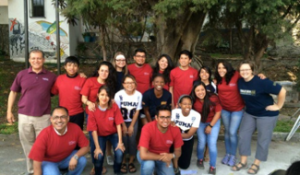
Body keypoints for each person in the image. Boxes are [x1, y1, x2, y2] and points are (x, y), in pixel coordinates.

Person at [6, 49, 56, 174]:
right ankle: (32, 171)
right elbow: (13, 92)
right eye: (33, 58)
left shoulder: (51, 76)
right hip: (24, 116)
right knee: (28, 146)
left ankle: (43, 169)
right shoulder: (21, 74)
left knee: (43, 146)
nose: (36, 61)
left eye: (39, 58)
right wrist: (9, 111)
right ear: (29, 60)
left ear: (43, 60)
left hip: (43, 116)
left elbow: (64, 85)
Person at [232, 61, 286, 174]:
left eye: (247, 69)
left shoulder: (262, 82)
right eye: (242, 70)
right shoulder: (240, 82)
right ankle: (243, 161)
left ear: (252, 70)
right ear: (239, 72)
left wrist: (278, 106)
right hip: (250, 113)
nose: (245, 72)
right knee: (243, 136)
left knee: (263, 139)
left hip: (266, 115)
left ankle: (256, 163)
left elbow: (282, 91)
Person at [28, 106, 89, 175]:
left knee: (82, 160)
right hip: (48, 162)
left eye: (63, 117)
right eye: (56, 117)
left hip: (65, 158)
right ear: (51, 119)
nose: (59, 120)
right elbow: (36, 160)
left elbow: (86, 146)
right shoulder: (44, 134)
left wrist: (75, 156)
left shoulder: (75, 128)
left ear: (68, 118)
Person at [80, 61, 117, 175]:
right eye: (102, 70)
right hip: (92, 114)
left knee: (103, 140)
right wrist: (88, 103)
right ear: (98, 71)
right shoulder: (90, 81)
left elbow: (111, 100)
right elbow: (83, 98)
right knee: (94, 141)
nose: (104, 73)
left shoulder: (110, 84)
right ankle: (95, 166)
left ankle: (103, 160)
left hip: (106, 116)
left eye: (106, 71)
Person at [87, 85, 125, 175]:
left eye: (107, 95)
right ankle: (98, 172)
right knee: (99, 155)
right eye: (102, 94)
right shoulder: (93, 109)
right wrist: (97, 147)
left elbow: (118, 124)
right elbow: (93, 130)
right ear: (98, 95)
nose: (104, 97)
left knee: (119, 152)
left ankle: (117, 171)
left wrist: (120, 142)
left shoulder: (114, 106)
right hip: (100, 135)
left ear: (110, 97)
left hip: (113, 133)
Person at [137, 105, 184, 175]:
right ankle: (153, 168)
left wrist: (172, 155)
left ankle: (157, 169)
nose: (165, 120)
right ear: (156, 118)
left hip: (164, 155)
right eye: (162, 117)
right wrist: (162, 157)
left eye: (168, 117)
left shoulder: (175, 129)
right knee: (149, 165)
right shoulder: (147, 128)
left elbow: (178, 151)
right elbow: (143, 155)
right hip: (148, 154)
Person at [214, 61, 244, 166]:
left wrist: (260, 76)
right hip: (225, 109)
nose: (221, 70)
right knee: (227, 132)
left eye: (223, 68)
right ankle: (228, 153)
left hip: (237, 109)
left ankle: (233, 155)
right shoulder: (217, 78)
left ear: (228, 68)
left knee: (232, 132)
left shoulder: (237, 75)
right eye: (219, 68)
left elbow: (249, 77)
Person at [191, 82, 222, 175]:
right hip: (200, 122)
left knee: (212, 144)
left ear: (205, 90)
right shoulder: (193, 100)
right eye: (197, 90)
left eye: (202, 90)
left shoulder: (213, 97)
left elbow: (218, 113)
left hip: (213, 122)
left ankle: (212, 166)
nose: (200, 92)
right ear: (194, 92)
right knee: (201, 142)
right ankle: (200, 159)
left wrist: (210, 126)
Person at [114, 75, 142, 173]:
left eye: (132, 82)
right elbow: (117, 111)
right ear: (123, 84)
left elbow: (137, 111)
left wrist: (131, 126)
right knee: (122, 139)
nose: (130, 85)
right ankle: (122, 160)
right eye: (127, 83)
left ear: (135, 84)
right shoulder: (119, 94)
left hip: (132, 120)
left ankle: (130, 161)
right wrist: (123, 126)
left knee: (132, 139)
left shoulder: (138, 95)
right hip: (121, 120)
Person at [51, 56, 86, 130]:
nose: (72, 68)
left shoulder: (83, 79)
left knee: (76, 136)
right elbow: (53, 92)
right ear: (65, 67)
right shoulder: (60, 79)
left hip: (77, 113)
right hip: (62, 114)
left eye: (75, 65)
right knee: (62, 136)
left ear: (78, 67)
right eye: (69, 65)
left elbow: (86, 95)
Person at [107, 52, 129, 165]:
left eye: (123, 60)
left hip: (124, 104)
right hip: (111, 104)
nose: (121, 62)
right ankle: (109, 154)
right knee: (110, 129)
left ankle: (123, 152)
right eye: (118, 59)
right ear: (115, 61)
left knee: (121, 130)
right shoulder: (110, 73)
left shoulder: (127, 74)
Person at [171, 95, 201, 173]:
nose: (187, 106)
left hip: (187, 140)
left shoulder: (196, 115)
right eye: (184, 104)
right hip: (174, 139)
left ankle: (177, 158)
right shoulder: (174, 112)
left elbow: (189, 135)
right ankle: (174, 162)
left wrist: (176, 128)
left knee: (184, 165)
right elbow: (169, 126)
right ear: (180, 104)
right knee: (172, 158)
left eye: (189, 104)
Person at [128, 48, 152, 124]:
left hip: (145, 99)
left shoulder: (149, 68)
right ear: (134, 57)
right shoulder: (129, 68)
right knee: (134, 121)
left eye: (143, 56)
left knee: (145, 121)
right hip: (132, 99)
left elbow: (151, 83)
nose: (140, 58)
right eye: (138, 56)